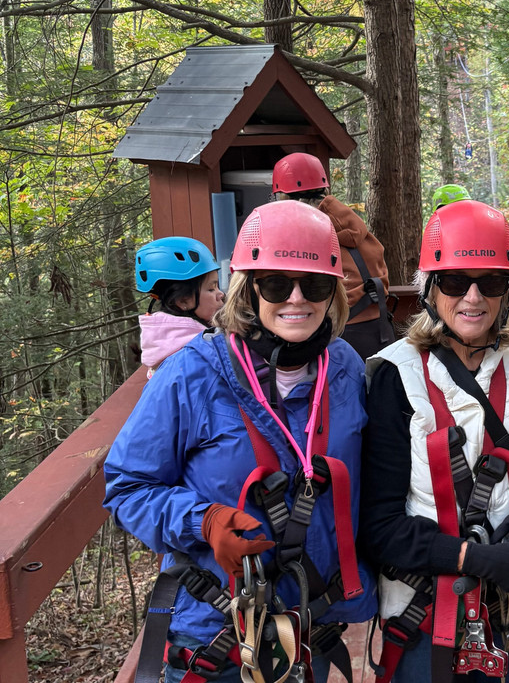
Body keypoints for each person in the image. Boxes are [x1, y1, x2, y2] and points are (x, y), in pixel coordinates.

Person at [104, 200, 377, 683]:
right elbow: (127, 484)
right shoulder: (192, 373)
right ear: (248, 289)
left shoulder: (345, 367)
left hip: (312, 624)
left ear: (332, 292)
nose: (296, 299)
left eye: (313, 284)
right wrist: (203, 520)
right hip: (218, 628)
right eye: (275, 283)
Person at [360, 199, 509, 682]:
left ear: (507, 294)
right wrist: (476, 558)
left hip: (508, 605)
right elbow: (379, 523)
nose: (473, 297)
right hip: (424, 607)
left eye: (490, 283)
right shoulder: (395, 375)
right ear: (430, 290)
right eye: (455, 281)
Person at [273, 151, 395, 359]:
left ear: (284, 197)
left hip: (337, 339)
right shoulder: (353, 225)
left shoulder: (306, 235)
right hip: (381, 332)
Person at [134, 236, 225, 377]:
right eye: (211, 289)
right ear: (183, 301)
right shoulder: (197, 356)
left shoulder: (168, 350)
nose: (221, 294)